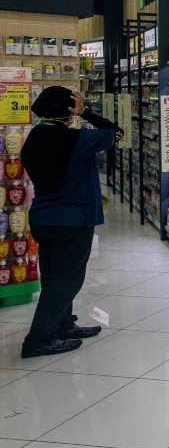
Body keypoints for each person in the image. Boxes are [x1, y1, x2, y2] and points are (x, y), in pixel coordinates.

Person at [21, 87, 122, 358]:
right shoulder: (77, 139)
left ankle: (62, 325)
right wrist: (85, 112)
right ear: (68, 110)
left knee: (54, 277)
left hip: (44, 217)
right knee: (67, 281)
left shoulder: (34, 137)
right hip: (73, 220)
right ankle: (39, 339)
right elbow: (118, 133)